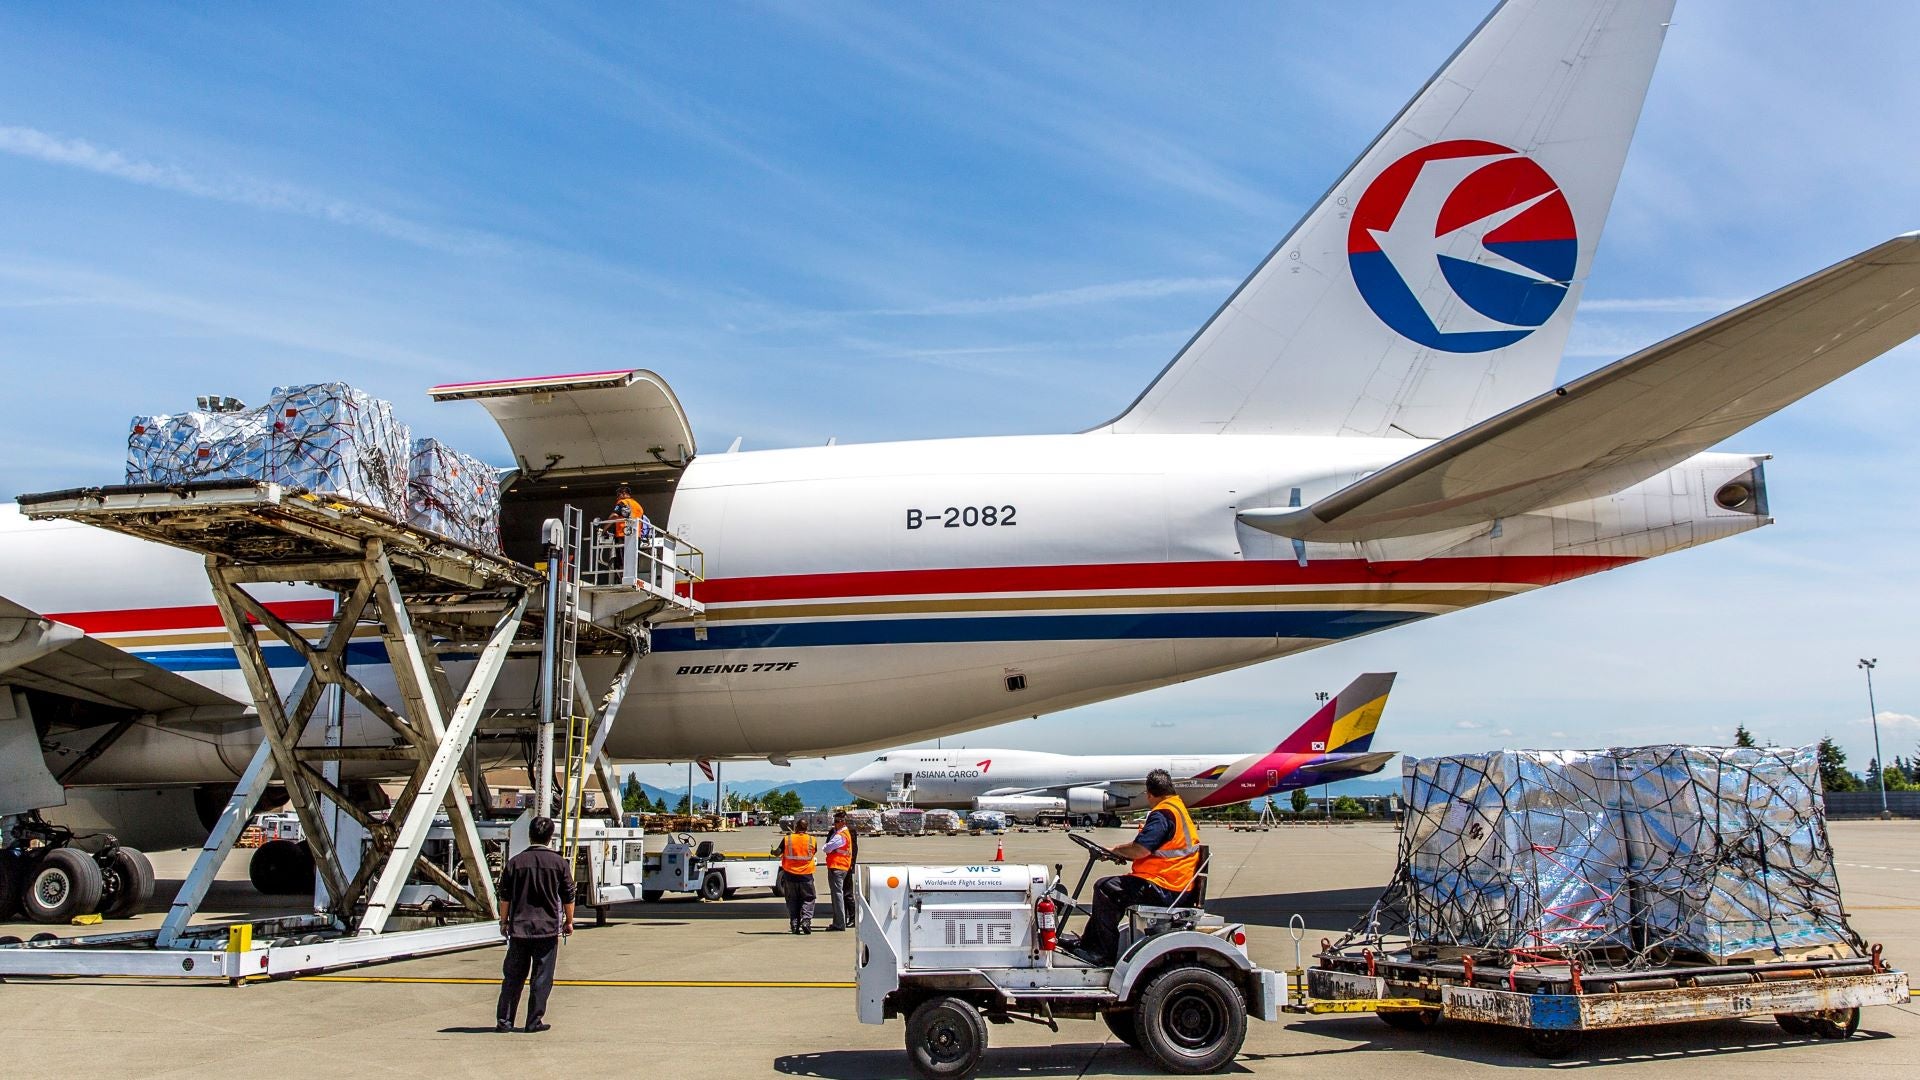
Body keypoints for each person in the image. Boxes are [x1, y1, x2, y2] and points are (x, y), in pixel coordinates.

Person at [1076, 769, 1200, 965]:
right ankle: (1087, 945)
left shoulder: (1163, 813)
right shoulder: (1177, 808)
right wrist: (1118, 854)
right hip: (1173, 883)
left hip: (1165, 887)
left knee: (1105, 888)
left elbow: (1140, 849)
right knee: (1112, 888)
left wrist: (1115, 850)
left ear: (1149, 794)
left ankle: (1101, 953)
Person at [496, 815, 575, 1033]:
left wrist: (504, 922)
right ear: (550, 837)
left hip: (520, 929)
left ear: (530, 835)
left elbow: (505, 897)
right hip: (547, 929)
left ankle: (505, 1021)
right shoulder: (559, 863)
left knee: (513, 977)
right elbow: (569, 895)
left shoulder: (515, 863)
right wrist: (569, 921)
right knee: (541, 978)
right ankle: (533, 1021)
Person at [773, 821, 818, 934]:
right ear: (806, 828)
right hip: (806, 875)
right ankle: (806, 921)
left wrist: (772, 851)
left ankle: (794, 924)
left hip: (790, 875)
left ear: (796, 827)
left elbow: (778, 852)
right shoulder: (812, 839)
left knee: (792, 900)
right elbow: (814, 852)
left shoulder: (788, 839)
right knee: (808, 898)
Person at [822, 810, 859, 931]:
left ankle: (843, 921)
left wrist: (851, 863)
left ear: (843, 821)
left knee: (842, 894)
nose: (835, 823)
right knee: (842, 894)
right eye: (835, 821)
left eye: (837, 821)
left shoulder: (843, 834)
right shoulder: (839, 832)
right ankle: (843, 920)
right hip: (844, 866)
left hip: (839, 866)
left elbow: (827, 848)